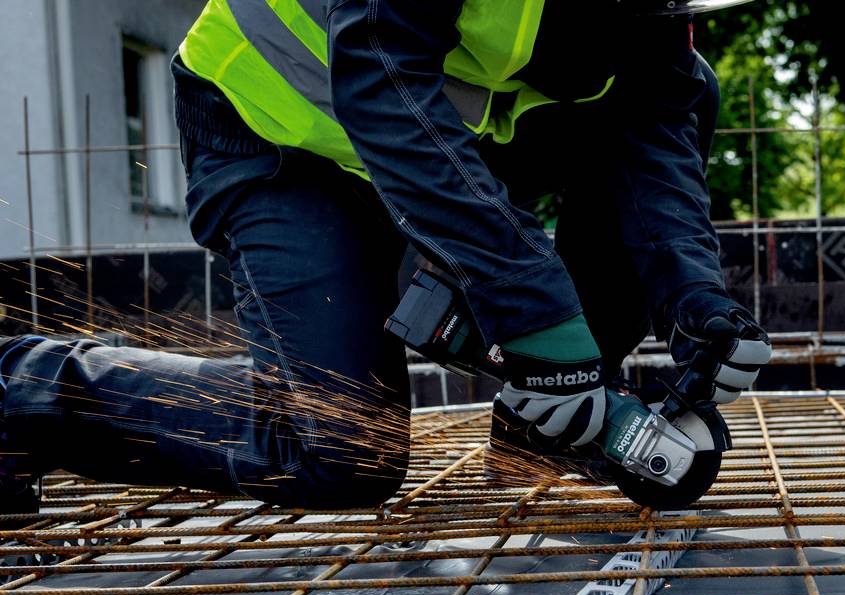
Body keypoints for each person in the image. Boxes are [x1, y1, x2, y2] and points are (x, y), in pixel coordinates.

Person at [0, 0, 770, 517]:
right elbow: (379, 71)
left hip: (439, 141)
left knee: (683, 88)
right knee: (338, 450)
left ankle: (551, 419)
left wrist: (694, 298)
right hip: (282, 136)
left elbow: (656, 127)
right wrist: (534, 309)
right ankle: (19, 389)